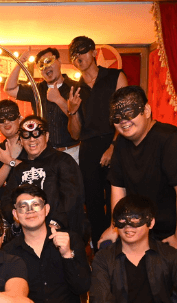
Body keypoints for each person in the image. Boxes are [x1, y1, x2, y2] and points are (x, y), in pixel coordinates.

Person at [98, 86, 177, 250]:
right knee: (106, 251)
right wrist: (115, 227)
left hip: (170, 234)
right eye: (116, 117)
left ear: (146, 111)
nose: (123, 121)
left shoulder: (172, 140)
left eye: (129, 112)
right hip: (137, 232)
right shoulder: (121, 144)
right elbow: (118, 188)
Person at [67, 36, 128, 248]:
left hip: (115, 142)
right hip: (88, 148)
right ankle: (100, 248)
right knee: (92, 202)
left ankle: (120, 245)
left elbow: (125, 115)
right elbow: (75, 134)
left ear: (94, 52)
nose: (78, 57)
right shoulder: (76, 89)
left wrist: (113, 146)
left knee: (117, 197)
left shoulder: (115, 76)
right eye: (74, 54)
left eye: (82, 51)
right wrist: (72, 111)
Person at [0, 116, 86, 241]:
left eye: (37, 134)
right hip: (26, 235)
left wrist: (56, 223)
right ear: (21, 140)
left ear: (47, 136)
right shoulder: (19, 169)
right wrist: (18, 220)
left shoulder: (63, 161)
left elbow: (73, 198)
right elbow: (6, 201)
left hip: (59, 233)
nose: (32, 139)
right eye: (26, 135)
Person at [5, 47, 80, 163]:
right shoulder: (36, 90)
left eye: (49, 61)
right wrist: (20, 63)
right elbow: (9, 89)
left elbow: (80, 123)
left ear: (59, 61)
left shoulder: (76, 87)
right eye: (41, 65)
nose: (46, 67)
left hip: (72, 153)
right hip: (45, 154)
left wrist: (59, 100)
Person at [0, 99, 27, 201]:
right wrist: (8, 163)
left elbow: (40, 169)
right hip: (12, 197)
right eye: (1, 119)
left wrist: (10, 160)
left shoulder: (31, 141)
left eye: (11, 116)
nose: (6, 122)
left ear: (19, 118)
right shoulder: (1, 148)